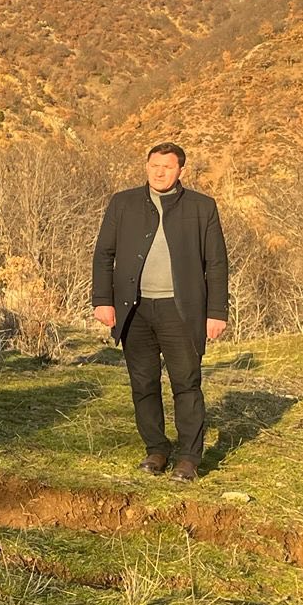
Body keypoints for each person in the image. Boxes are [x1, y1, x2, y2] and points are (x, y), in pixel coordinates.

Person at [91, 143, 229, 481]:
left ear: (181, 170)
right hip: (134, 309)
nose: (159, 172)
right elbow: (103, 254)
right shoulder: (123, 203)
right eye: (154, 165)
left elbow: (217, 263)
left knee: (186, 383)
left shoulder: (202, 207)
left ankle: (189, 458)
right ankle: (156, 448)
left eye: (167, 166)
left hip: (181, 311)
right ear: (146, 165)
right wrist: (102, 300)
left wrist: (217, 311)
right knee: (143, 383)